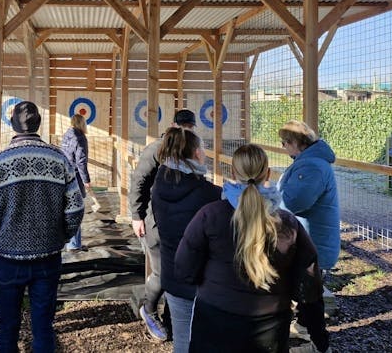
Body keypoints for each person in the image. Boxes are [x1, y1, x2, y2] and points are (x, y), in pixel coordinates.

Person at [175, 144, 330, 353]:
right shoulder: (288, 224)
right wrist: (319, 338)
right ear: (267, 173)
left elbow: (184, 269)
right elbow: (310, 287)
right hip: (271, 329)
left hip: (214, 323)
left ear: (232, 173)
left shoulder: (209, 215)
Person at [0, 101, 84, 353]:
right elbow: (76, 208)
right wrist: (62, 236)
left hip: (8, 258)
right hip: (49, 256)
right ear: (38, 124)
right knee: (43, 326)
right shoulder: (59, 159)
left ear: (12, 126)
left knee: (7, 328)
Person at [129, 109, 197, 342]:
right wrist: (136, 216)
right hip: (154, 221)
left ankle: (171, 317)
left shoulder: (190, 152)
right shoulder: (156, 150)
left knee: (176, 272)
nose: (187, 132)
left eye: (190, 129)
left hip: (180, 223)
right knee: (161, 272)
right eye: (184, 128)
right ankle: (148, 310)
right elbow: (138, 182)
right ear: (174, 126)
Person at [150, 127, 220, 353]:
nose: (205, 153)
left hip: (173, 275)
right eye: (202, 148)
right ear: (196, 153)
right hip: (203, 280)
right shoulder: (208, 194)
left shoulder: (160, 182)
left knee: (182, 340)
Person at [278, 120, 340, 275]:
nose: (283, 147)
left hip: (311, 245)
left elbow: (293, 202)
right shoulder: (310, 163)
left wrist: (268, 203)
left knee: (307, 294)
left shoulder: (312, 167)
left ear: (294, 142)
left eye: (284, 143)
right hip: (309, 242)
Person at [61, 113, 101, 251]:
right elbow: (81, 162)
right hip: (75, 177)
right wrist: (86, 180)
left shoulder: (66, 135)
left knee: (66, 209)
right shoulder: (80, 137)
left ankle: (66, 242)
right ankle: (73, 244)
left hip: (63, 176)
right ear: (82, 124)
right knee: (76, 210)